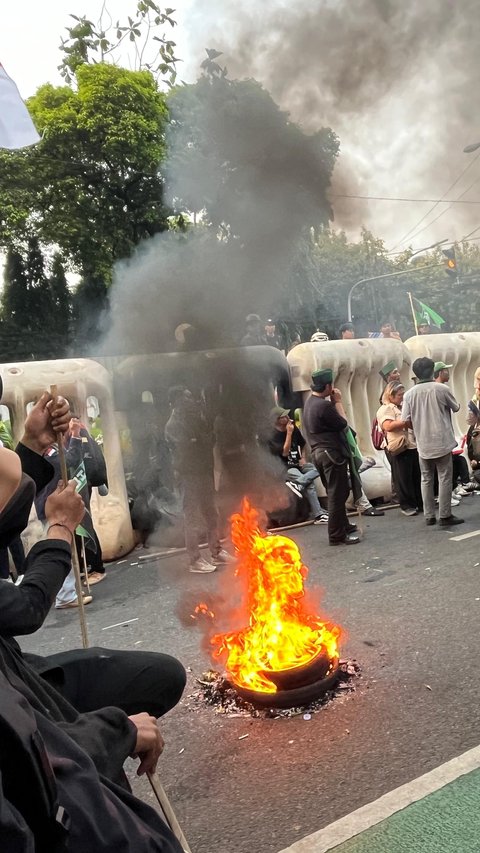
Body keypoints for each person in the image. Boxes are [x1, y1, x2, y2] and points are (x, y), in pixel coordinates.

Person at [165, 386, 233, 573]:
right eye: (184, 398)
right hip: (188, 476)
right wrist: (198, 440)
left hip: (203, 472)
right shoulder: (173, 425)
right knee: (192, 518)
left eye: (189, 397)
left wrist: (199, 439)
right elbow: (187, 448)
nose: (189, 401)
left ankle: (216, 551)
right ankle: (194, 560)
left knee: (212, 514)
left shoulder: (195, 418)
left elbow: (208, 440)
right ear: (175, 402)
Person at [401, 357, 463, 527]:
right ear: (432, 371)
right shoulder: (441, 389)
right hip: (442, 440)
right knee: (444, 478)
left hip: (422, 442)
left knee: (426, 478)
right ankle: (445, 515)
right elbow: (456, 407)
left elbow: (405, 419)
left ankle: (429, 516)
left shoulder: (409, 394)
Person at [303, 369, 360, 546]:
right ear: (328, 386)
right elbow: (343, 423)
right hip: (331, 453)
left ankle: (343, 525)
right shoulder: (324, 406)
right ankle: (336, 535)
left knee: (337, 491)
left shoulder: (309, 403)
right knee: (337, 494)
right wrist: (338, 402)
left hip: (319, 453)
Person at [266, 406, 328, 524]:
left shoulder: (294, 429)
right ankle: (318, 513)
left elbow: (302, 444)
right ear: (278, 420)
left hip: (298, 463)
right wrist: (289, 433)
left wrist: (303, 458)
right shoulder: (273, 435)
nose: (288, 418)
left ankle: (298, 484)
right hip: (285, 467)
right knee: (309, 483)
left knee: (318, 468)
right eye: (284, 416)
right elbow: (284, 453)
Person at [377, 382, 422, 516]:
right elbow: (388, 426)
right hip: (399, 446)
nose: (402, 397)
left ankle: (419, 502)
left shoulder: (402, 407)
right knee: (402, 477)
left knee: (415, 475)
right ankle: (407, 505)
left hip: (411, 444)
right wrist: (405, 422)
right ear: (391, 395)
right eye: (399, 395)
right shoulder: (386, 409)